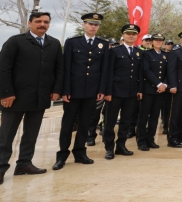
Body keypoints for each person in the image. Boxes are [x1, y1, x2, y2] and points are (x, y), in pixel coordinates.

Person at [0, 9, 62, 184]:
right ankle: (1, 166)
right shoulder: (15, 42)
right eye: (39, 21)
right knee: (6, 136)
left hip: (39, 97)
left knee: (31, 135)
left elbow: (58, 69)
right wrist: (6, 93)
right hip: (15, 98)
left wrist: (56, 90)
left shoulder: (54, 44)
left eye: (46, 22)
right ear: (30, 23)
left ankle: (24, 164)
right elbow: (4, 69)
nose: (42, 24)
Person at [52, 13, 108, 171]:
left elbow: (104, 70)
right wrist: (65, 90)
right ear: (84, 25)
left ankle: (80, 153)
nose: (93, 27)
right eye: (90, 24)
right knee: (68, 124)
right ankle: (62, 155)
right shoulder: (72, 42)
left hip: (92, 91)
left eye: (96, 24)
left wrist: (101, 89)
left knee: (85, 124)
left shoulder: (102, 44)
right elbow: (66, 67)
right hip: (73, 92)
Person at [102, 24, 143, 160]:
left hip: (131, 92)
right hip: (115, 91)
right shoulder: (114, 51)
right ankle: (109, 147)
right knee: (110, 121)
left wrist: (140, 90)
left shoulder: (138, 52)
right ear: (123, 35)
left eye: (134, 34)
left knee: (126, 121)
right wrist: (107, 92)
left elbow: (139, 74)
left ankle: (121, 146)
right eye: (128, 33)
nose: (131, 36)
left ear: (137, 36)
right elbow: (108, 72)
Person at [136, 33, 168, 151]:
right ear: (152, 42)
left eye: (161, 40)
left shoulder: (165, 55)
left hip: (161, 91)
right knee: (144, 116)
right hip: (149, 89)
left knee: (155, 116)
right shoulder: (146, 54)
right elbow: (146, 71)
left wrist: (164, 84)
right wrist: (158, 84)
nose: (158, 42)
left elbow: (168, 72)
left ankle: (150, 139)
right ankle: (141, 140)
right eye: (156, 40)